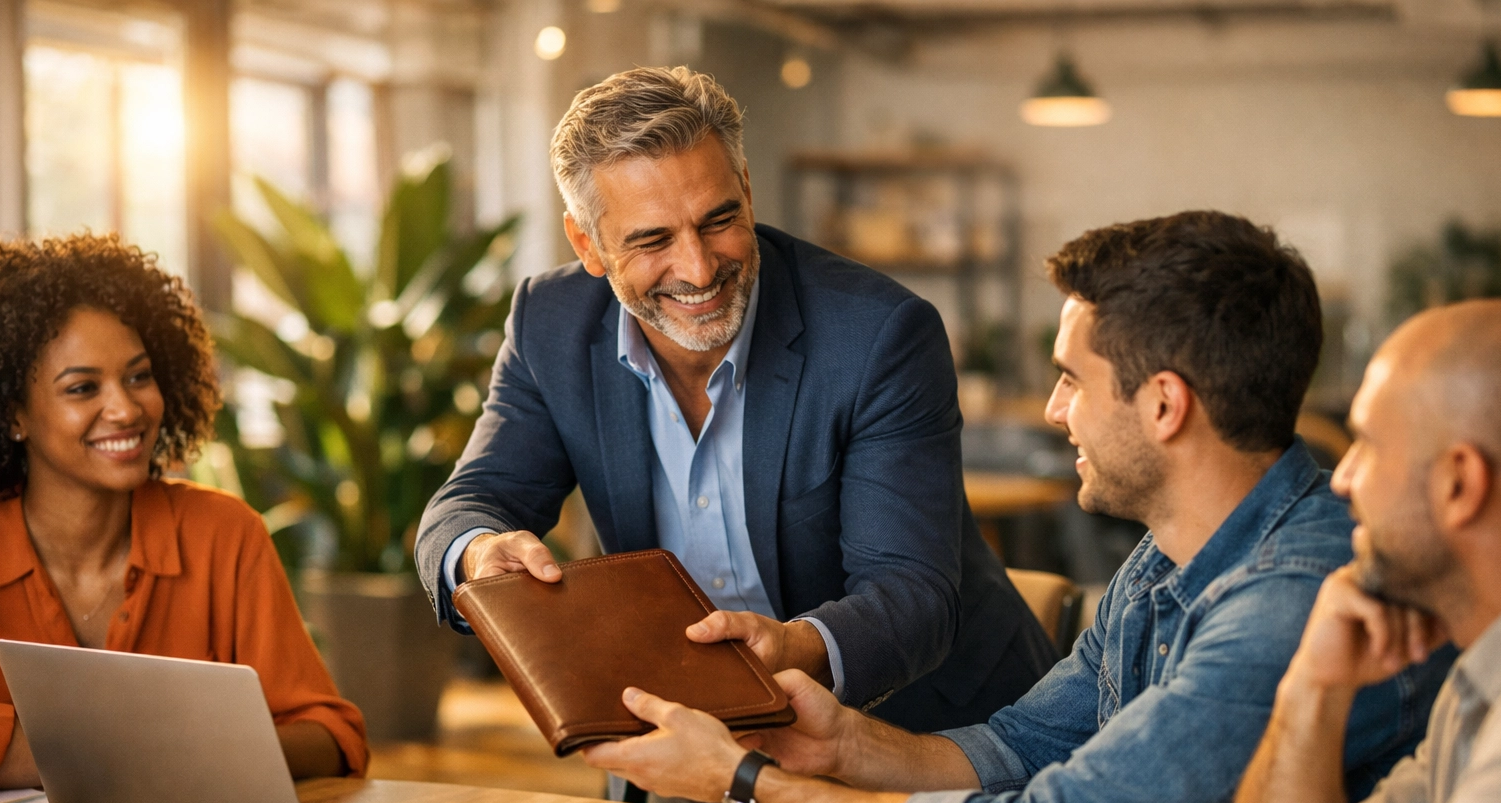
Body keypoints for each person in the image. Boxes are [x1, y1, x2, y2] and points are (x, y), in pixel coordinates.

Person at [581, 210, 1451, 803]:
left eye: (1073, 378)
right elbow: (1021, 748)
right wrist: (841, 744)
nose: (1053, 409)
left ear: (1164, 405)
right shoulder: (1168, 558)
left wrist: (748, 785)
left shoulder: (1294, 600)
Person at [774, 298, 1501, 803]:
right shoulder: (1472, 690)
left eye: (1369, 446)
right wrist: (1311, 692)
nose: (1344, 480)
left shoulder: (1292, 588)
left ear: (1459, 485)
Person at [415, 66, 1055, 740]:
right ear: (588, 245)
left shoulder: (878, 334)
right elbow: (467, 504)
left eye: (718, 221)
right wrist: (479, 553)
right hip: (689, 737)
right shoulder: (550, 324)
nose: (698, 269)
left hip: (922, 733)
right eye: (653, 240)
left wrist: (795, 649)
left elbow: (911, 596)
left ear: (747, 192)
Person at [0, 233, 368, 792]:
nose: (126, 408)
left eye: (139, 376)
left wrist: (187, 750)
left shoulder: (225, 535)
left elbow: (331, 736)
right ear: (13, 413)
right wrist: (65, 753)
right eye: (83, 388)